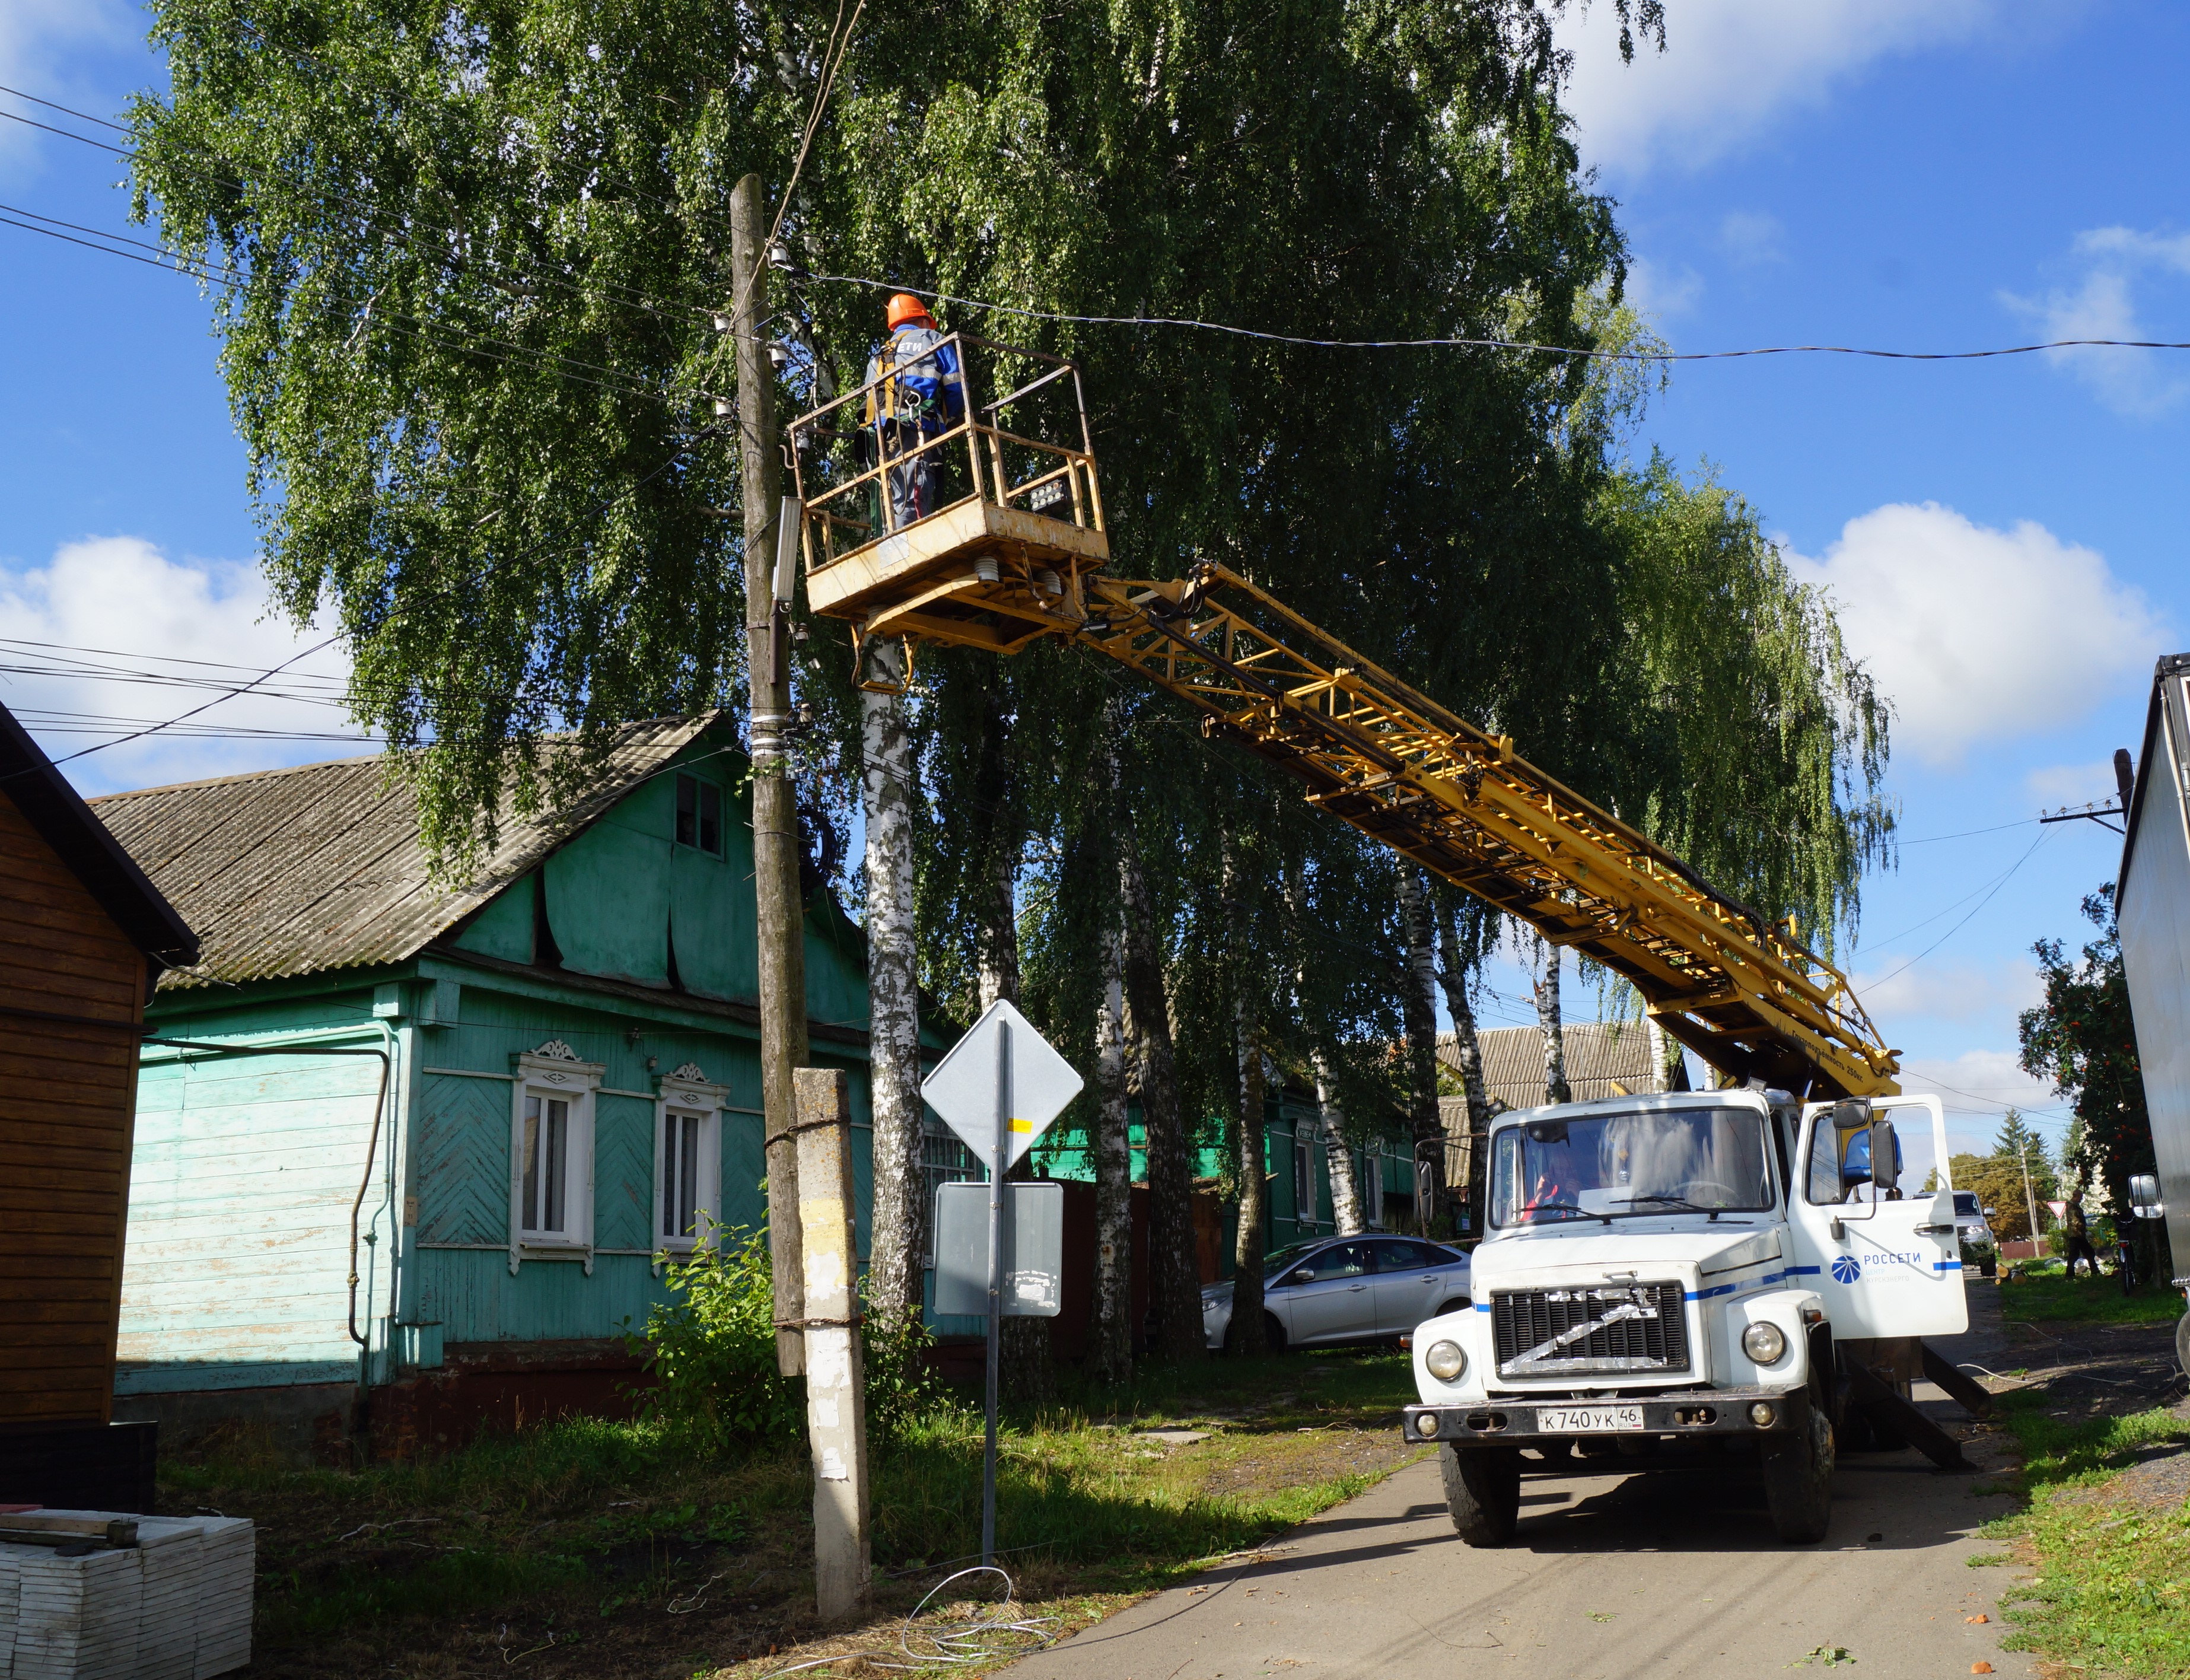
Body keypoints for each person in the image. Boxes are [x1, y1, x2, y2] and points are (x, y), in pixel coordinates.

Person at [862, 292, 965, 533]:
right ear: (921, 319)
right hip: (914, 426)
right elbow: (956, 387)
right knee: (916, 490)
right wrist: (952, 418)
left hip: (881, 436)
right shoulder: (931, 338)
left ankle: (891, 538)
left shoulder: (877, 356)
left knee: (893, 495)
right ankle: (912, 541)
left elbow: (868, 403)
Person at [2062, 1197, 2099, 1280]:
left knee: (2089, 1253)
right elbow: (2076, 1221)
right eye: (2080, 1197)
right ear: (2075, 1196)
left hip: (2080, 1235)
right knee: (2074, 1255)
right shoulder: (2072, 1206)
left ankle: (2095, 1271)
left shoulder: (2075, 1206)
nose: (2081, 1199)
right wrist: (2085, 1230)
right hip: (2075, 1235)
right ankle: (2069, 1274)